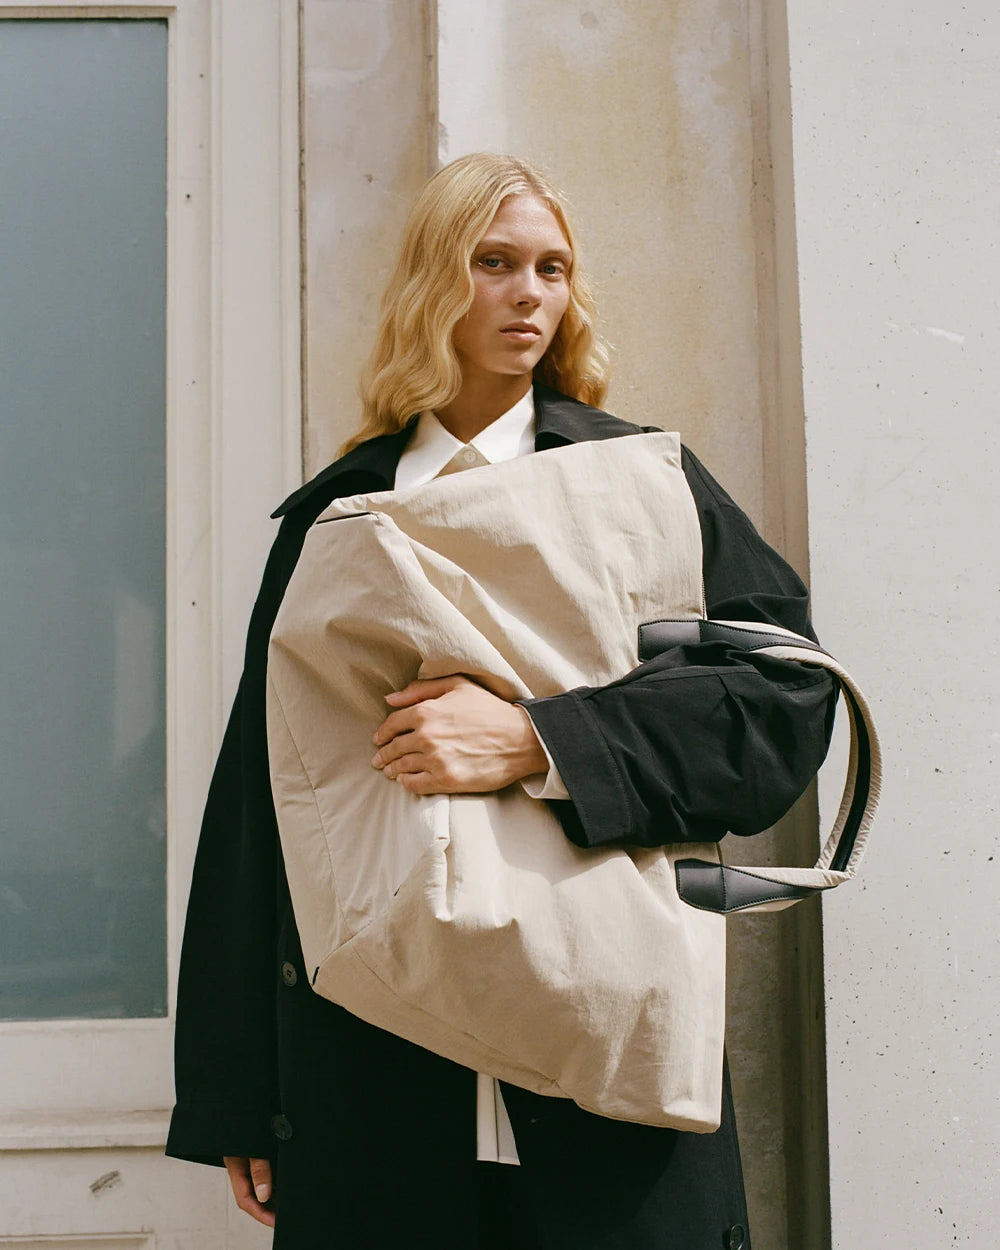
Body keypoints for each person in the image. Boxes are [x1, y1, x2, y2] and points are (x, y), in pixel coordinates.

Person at [166, 153, 837, 1249]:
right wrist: (239, 1091)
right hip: (375, 1077)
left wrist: (540, 740)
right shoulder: (343, 515)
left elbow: (780, 703)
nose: (529, 291)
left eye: (552, 267)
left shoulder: (643, 486)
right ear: (436, 281)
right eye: (493, 263)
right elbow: (263, 804)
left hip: (605, 1083)